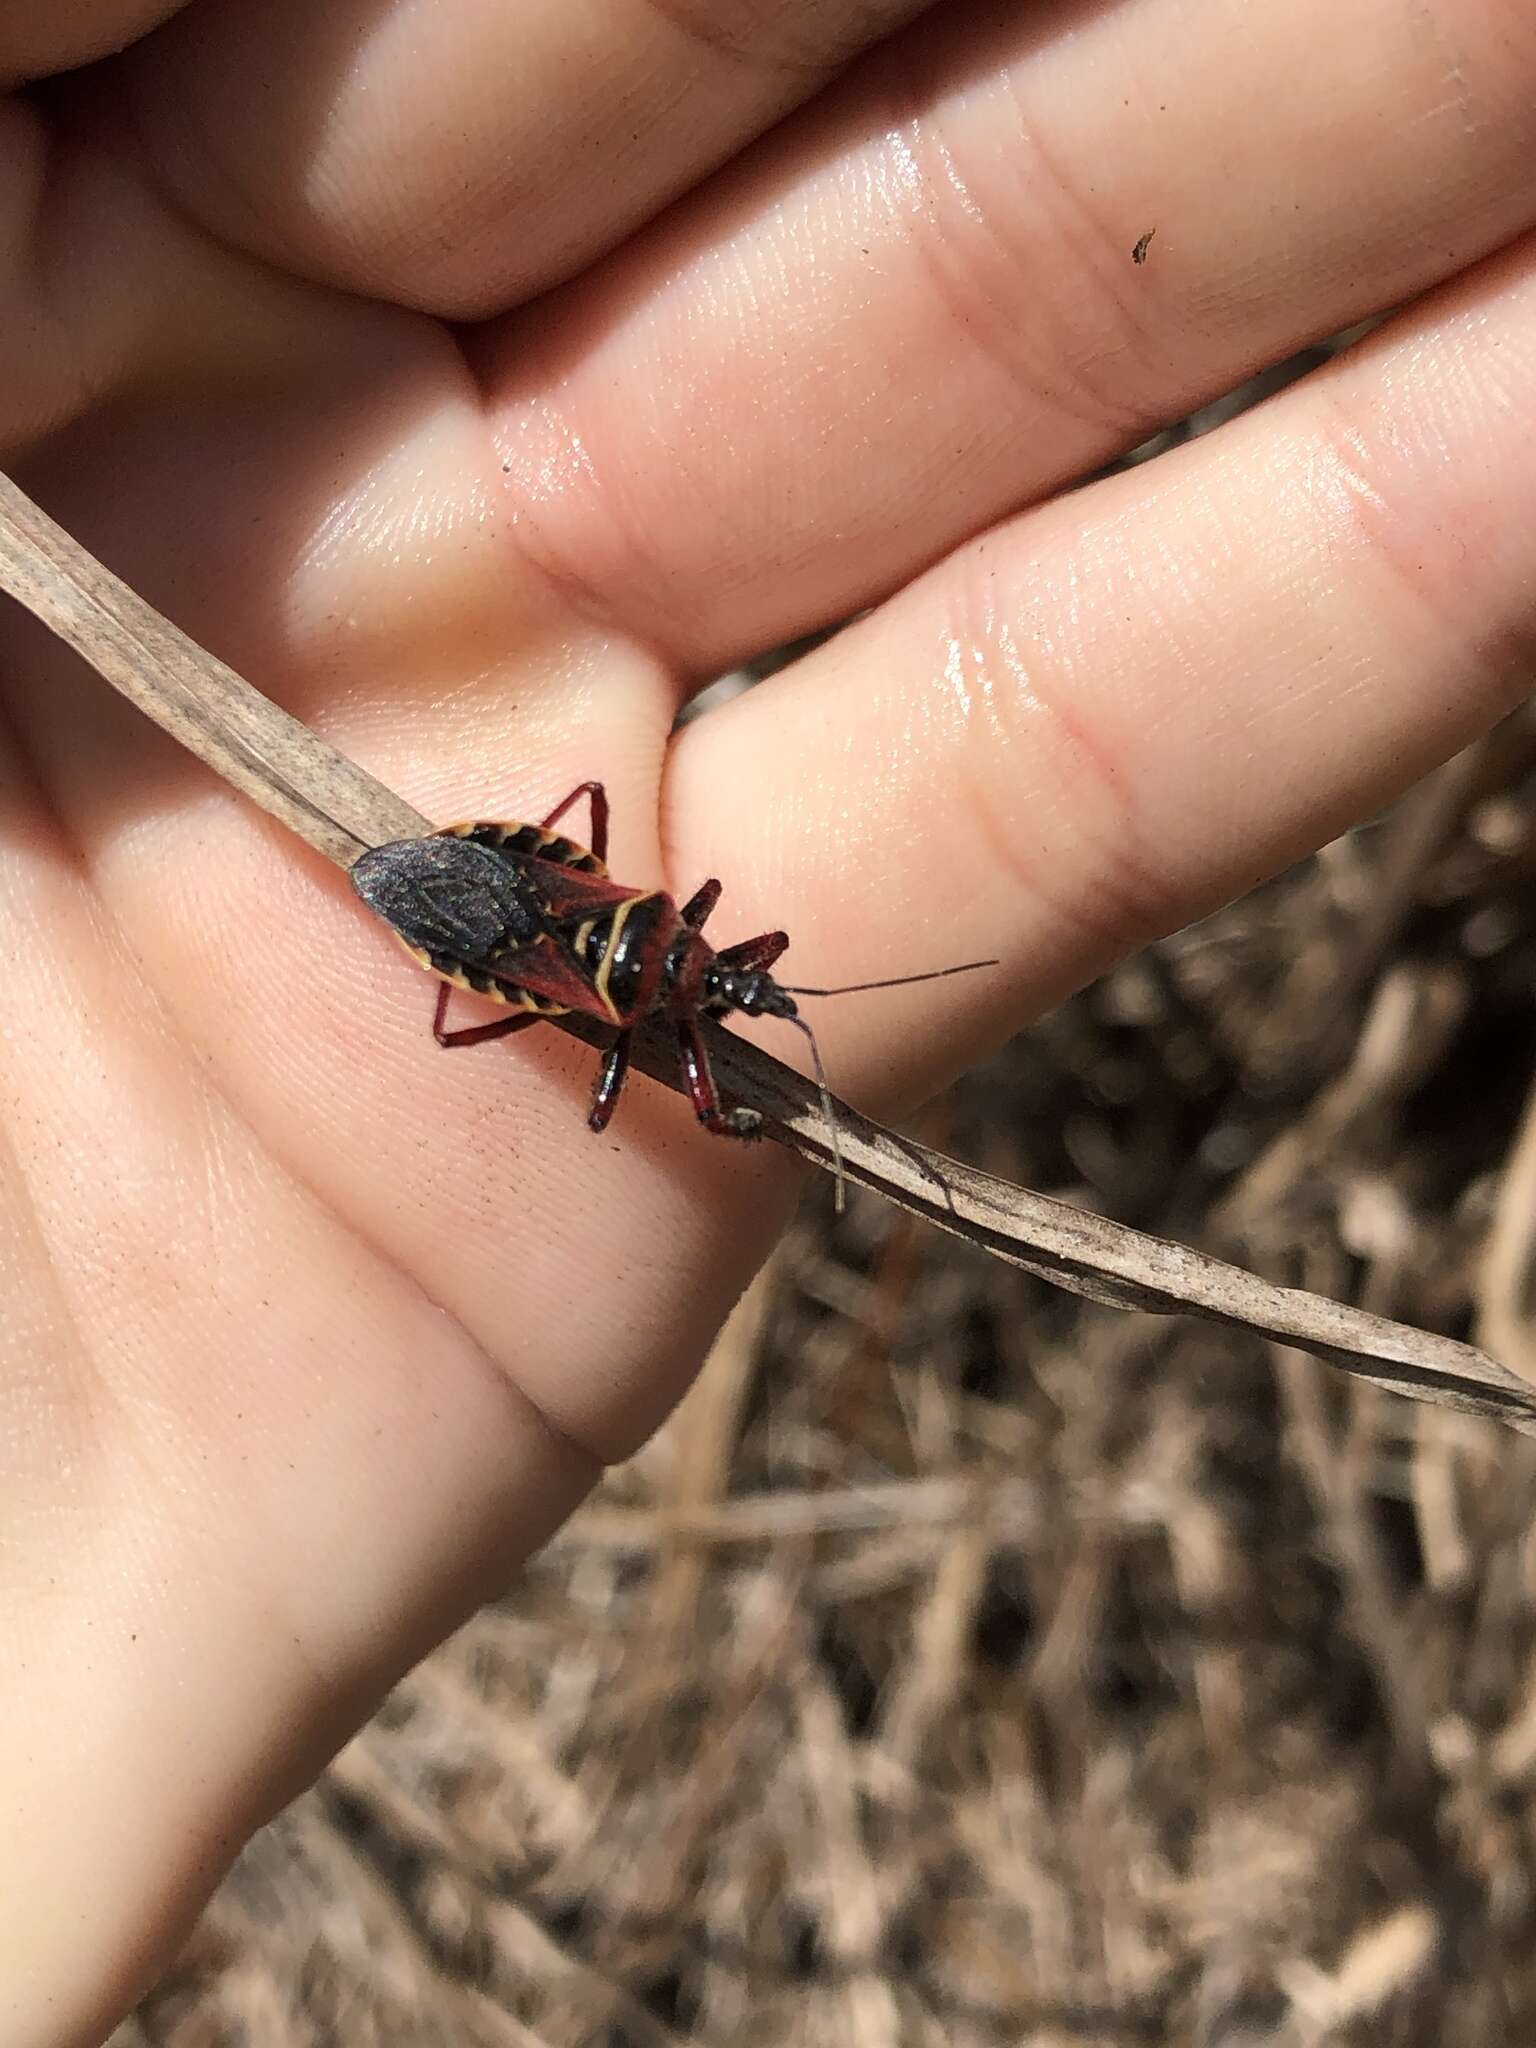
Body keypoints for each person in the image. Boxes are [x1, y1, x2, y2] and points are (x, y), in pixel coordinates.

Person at [3, 3, 1532, 2039]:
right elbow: (656, 1013)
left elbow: (657, 996)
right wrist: (596, 981)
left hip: (500, 905)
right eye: (722, 982)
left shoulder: (655, 1002)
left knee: (540, 934)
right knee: (537, 942)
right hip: (491, 905)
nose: (728, 985)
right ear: (689, 977)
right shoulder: (649, 1015)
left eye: (719, 991)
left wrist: (596, 966)